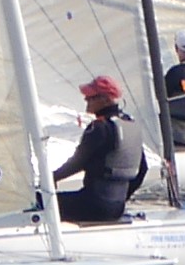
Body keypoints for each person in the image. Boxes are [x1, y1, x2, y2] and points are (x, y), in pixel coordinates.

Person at [52, 74, 148, 224]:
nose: (86, 101)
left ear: (105, 99)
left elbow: (77, 162)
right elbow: (143, 169)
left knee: (40, 201)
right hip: (117, 208)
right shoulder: (130, 125)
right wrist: (122, 199)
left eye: (91, 97)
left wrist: (51, 178)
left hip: (93, 206)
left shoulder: (99, 128)